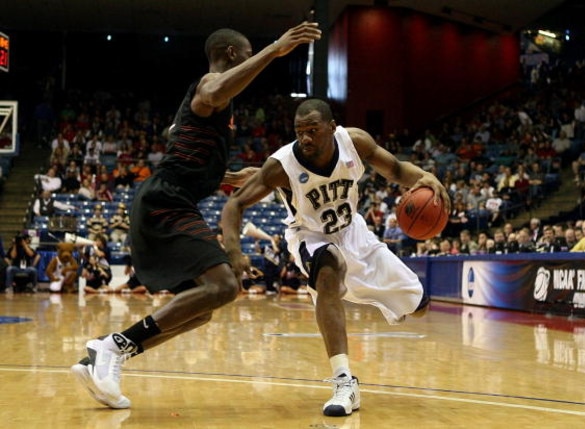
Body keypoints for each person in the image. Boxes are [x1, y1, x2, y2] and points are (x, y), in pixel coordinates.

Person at [70, 22, 322, 409]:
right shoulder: (209, 85)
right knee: (223, 286)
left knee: (202, 307)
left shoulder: (208, 112)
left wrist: (252, 176)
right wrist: (273, 49)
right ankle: (113, 347)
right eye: (249, 52)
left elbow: (187, 149)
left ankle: (108, 354)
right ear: (235, 53)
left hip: (174, 197)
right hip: (165, 199)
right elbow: (213, 91)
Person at [220, 98, 449, 417]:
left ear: (332, 127)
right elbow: (235, 205)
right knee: (329, 270)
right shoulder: (282, 165)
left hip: (354, 233)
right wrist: (233, 249)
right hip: (309, 235)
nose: (306, 138)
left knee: (420, 308)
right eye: (300, 131)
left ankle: (373, 294)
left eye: (313, 130)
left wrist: (424, 177)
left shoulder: (354, 141)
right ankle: (344, 382)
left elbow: (396, 169)